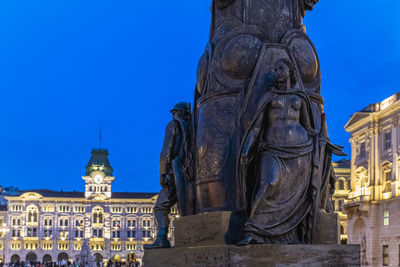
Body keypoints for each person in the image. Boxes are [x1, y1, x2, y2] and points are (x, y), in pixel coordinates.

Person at [237, 58, 319, 244]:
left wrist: (321, 140)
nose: (277, 72)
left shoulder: (300, 96)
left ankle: (287, 232)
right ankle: (253, 229)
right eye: (275, 69)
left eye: (281, 68)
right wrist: (247, 149)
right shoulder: (269, 96)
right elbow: (257, 127)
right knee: (269, 182)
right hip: (273, 148)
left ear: (289, 71)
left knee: (295, 191)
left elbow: (307, 126)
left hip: (299, 150)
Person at [144, 102, 192, 249]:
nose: (173, 115)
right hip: (188, 174)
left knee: (160, 206)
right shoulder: (192, 128)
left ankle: (162, 239)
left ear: (179, 113)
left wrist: (163, 172)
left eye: (175, 112)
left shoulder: (173, 125)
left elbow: (167, 150)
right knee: (186, 208)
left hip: (174, 173)